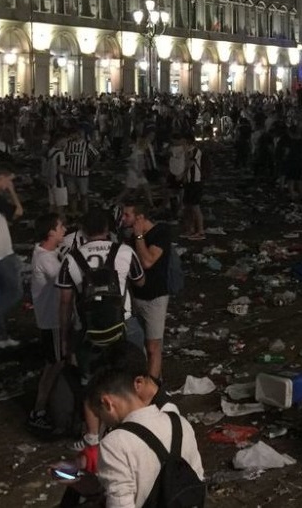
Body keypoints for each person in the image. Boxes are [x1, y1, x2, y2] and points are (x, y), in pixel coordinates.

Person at [56, 208, 145, 456]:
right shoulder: (124, 251)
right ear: (108, 229)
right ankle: (134, 432)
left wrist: (65, 341)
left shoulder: (71, 259)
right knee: (131, 381)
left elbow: (64, 303)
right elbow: (140, 281)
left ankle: (93, 440)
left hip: (88, 332)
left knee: (91, 386)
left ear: (82, 231)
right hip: (124, 325)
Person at [84, 364, 204, 507]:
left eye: (99, 415)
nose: (103, 421)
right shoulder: (180, 422)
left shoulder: (114, 443)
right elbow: (198, 480)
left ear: (107, 403)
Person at [121, 200, 171, 382]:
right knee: (138, 345)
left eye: (127, 215)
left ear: (140, 217)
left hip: (154, 298)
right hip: (135, 298)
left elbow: (148, 262)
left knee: (153, 346)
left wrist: (139, 236)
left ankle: (154, 388)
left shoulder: (161, 233)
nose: (123, 218)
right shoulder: (128, 235)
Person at [29, 213, 68, 431]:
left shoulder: (47, 252)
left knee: (57, 362)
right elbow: (67, 278)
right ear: (51, 232)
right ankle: (39, 410)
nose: (64, 229)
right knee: (54, 364)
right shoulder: (46, 259)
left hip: (53, 319)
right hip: (52, 320)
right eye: (61, 226)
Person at [0, 164, 24, 348]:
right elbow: (18, 212)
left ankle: (1, 337)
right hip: (1, 253)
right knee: (14, 292)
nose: (10, 183)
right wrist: (12, 193)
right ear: (1, 178)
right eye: (9, 180)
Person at [181, 136, 205, 240]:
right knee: (188, 206)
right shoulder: (188, 151)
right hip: (189, 181)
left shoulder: (195, 151)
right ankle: (190, 229)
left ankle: (200, 231)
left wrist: (182, 175)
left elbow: (189, 164)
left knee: (195, 206)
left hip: (195, 181)